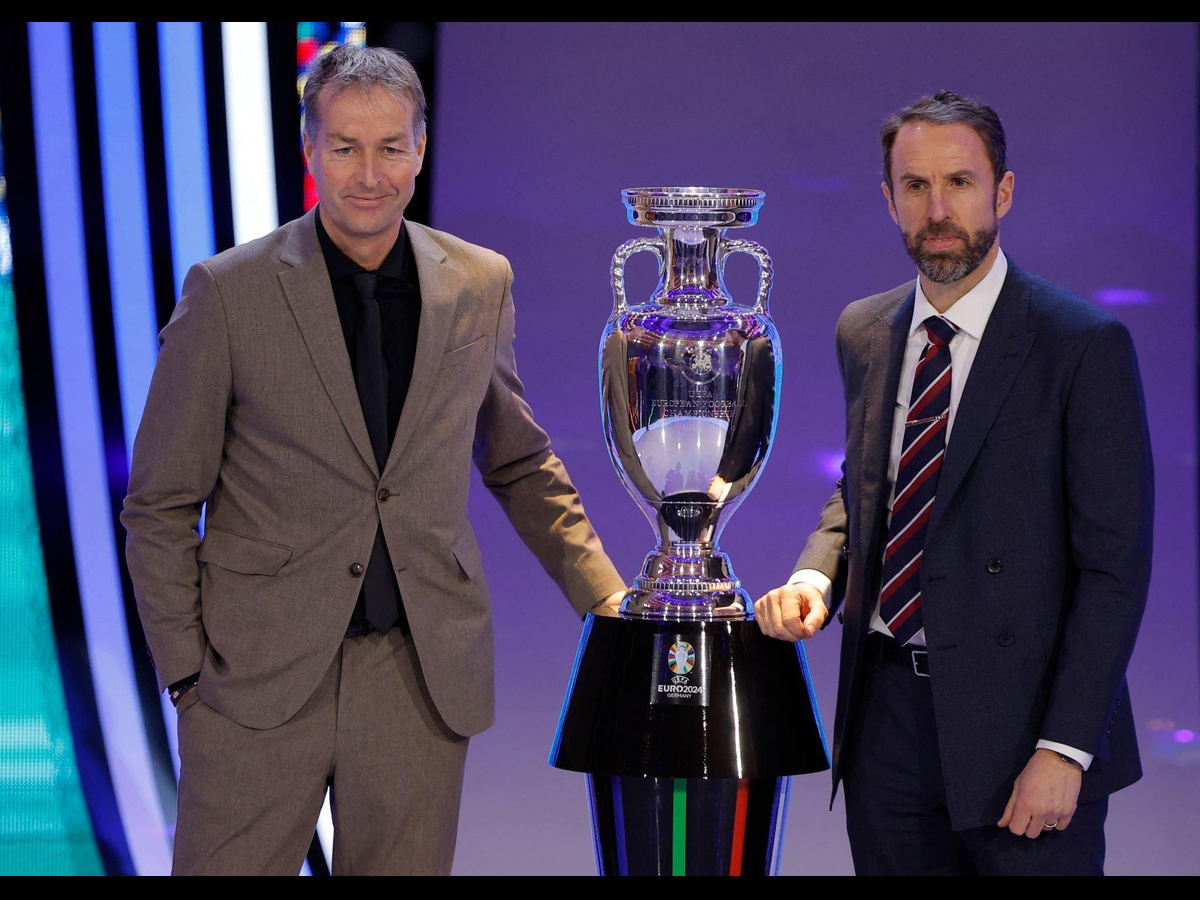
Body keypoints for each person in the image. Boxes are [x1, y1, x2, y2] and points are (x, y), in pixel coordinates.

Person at [121, 44, 625, 876]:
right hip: (255, 682)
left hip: (418, 678)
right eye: (345, 147)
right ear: (309, 150)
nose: (368, 173)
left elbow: (519, 462)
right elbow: (160, 502)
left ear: (420, 151)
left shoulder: (477, 282)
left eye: (390, 147)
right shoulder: (229, 292)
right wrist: (186, 675)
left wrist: (603, 596)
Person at [754, 90, 1152, 875]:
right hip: (887, 726)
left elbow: (1115, 570)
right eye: (915, 186)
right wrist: (817, 572)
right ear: (888, 200)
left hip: (1025, 727)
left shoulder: (1081, 344)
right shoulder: (863, 330)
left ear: (1002, 191)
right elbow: (869, 485)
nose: (938, 208)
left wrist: (1064, 749)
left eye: (961, 183)